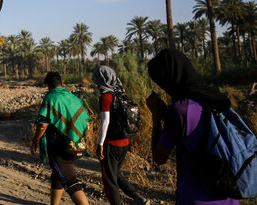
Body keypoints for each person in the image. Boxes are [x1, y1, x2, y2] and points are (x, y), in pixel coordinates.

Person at [146, 48, 238, 205]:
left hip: (196, 197)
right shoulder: (214, 97)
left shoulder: (179, 110)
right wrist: (166, 116)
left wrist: (156, 115)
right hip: (228, 194)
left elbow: (159, 158)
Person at [91, 65, 150, 205]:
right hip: (124, 141)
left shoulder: (106, 96)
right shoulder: (121, 93)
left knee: (109, 180)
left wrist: (100, 143)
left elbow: (105, 122)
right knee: (116, 173)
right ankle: (137, 197)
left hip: (111, 143)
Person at [30, 71, 90, 205]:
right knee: (58, 177)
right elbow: (87, 124)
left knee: (70, 181)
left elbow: (42, 126)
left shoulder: (50, 98)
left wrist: (35, 140)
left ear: (48, 86)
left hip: (58, 147)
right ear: (62, 83)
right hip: (74, 144)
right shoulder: (74, 98)